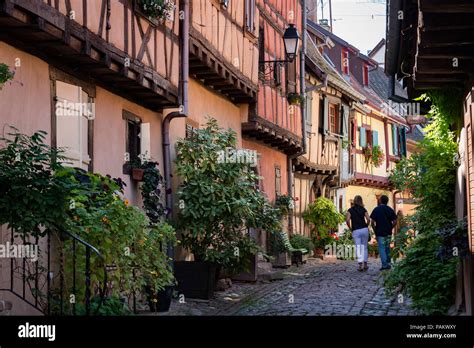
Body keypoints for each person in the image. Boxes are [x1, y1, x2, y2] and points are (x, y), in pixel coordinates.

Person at [370, 195, 397, 270]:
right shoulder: (390, 209)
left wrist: (375, 230)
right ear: (387, 201)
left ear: (380, 201)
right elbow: (395, 221)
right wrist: (390, 227)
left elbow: (372, 222)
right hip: (388, 232)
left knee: (382, 248)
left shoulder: (376, 209)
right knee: (387, 247)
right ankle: (388, 263)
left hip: (380, 232)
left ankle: (384, 265)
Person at [346, 195, 371, 272]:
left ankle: (360, 265)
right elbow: (368, 219)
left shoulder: (350, 210)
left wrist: (350, 228)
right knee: (365, 247)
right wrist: (366, 225)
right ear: (361, 201)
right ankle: (366, 264)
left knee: (358, 247)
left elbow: (347, 220)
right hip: (364, 229)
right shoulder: (363, 209)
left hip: (356, 230)